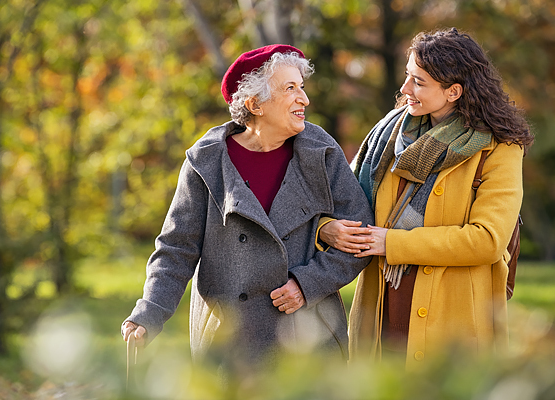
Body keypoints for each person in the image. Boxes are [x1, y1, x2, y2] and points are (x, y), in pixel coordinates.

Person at [121, 44, 373, 374]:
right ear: (255, 104)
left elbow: (361, 235)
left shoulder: (321, 151)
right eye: (290, 88)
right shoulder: (206, 162)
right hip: (230, 339)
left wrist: (307, 283)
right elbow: (176, 248)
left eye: (302, 87)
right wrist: (150, 310)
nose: (304, 99)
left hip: (310, 336)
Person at [318, 28, 533, 368]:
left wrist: (394, 243)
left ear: (453, 91)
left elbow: (488, 240)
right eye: (407, 77)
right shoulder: (387, 138)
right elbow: (339, 202)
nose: (404, 90)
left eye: (418, 82)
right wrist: (327, 228)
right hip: (382, 312)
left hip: (454, 323)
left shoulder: (500, 149)